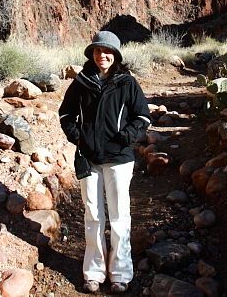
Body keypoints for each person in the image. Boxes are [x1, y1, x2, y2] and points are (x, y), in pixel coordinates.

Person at [58, 30, 151, 294]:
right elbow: (65, 114)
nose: (103, 55)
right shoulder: (81, 82)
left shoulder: (127, 83)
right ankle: (94, 272)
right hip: (88, 158)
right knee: (93, 215)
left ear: (116, 55)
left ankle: (120, 273)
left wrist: (126, 137)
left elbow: (142, 117)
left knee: (120, 217)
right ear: (92, 54)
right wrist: (79, 138)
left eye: (107, 51)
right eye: (98, 50)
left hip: (119, 159)